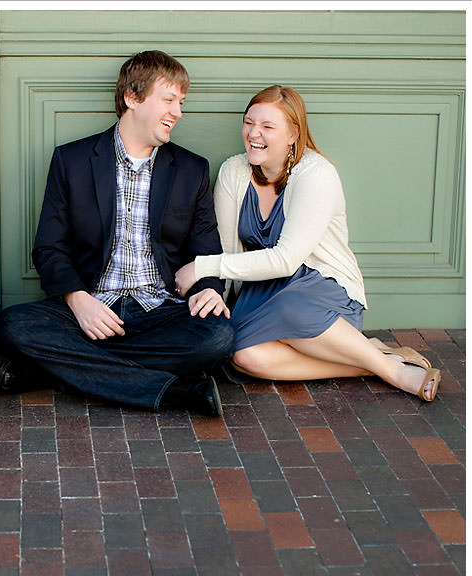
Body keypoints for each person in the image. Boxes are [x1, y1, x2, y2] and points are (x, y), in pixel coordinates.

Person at [0, 50, 235, 416]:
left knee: (219, 336)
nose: (178, 112)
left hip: (160, 310)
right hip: (90, 306)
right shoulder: (71, 161)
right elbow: (49, 248)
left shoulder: (190, 169)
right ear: (131, 98)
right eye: (168, 100)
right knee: (11, 325)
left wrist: (210, 289)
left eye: (181, 102)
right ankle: (174, 392)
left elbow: (205, 246)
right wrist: (78, 300)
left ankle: (46, 371)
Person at [174, 85, 440, 401]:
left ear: (293, 134)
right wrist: (217, 296)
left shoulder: (316, 174)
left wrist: (201, 267)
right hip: (261, 292)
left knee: (292, 308)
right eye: (249, 122)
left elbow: (287, 260)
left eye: (267, 126)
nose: (253, 133)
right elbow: (228, 250)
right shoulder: (235, 171)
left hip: (322, 292)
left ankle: (398, 373)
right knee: (242, 357)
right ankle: (374, 361)